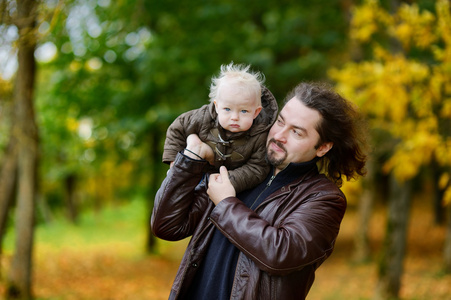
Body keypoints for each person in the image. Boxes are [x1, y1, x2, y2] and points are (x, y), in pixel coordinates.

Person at [151, 82, 368, 300]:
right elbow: (167, 226)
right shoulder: (236, 168)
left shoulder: (323, 198)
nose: (279, 135)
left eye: (296, 132)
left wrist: (226, 203)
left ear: (323, 147)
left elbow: (281, 253)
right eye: (280, 122)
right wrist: (190, 161)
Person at [162, 62, 278, 193]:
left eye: (244, 111)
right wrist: (173, 160)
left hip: (227, 181)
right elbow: (177, 128)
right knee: (176, 190)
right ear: (217, 106)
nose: (235, 117)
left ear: (256, 112)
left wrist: (228, 179)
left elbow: (257, 168)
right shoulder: (203, 117)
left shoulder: (260, 135)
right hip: (199, 171)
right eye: (227, 109)